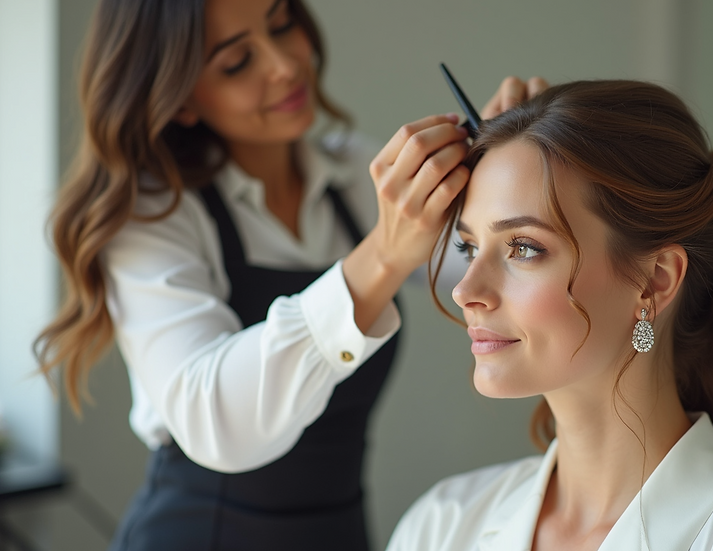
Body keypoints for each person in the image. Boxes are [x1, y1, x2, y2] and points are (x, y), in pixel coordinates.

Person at [32, 0, 545, 549]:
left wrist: (513, 182)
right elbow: (215, 420)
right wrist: (382, 256)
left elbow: (494, 283)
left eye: (281, 26)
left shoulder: (352, 178)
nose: (283, 64)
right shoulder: (154, 217)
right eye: (237, 63)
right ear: (180, 97)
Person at [387, 80, 713, 551]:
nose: (465, 290)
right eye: (469, 246)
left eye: (523, 248)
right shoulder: (440, 527)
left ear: (655, 279)